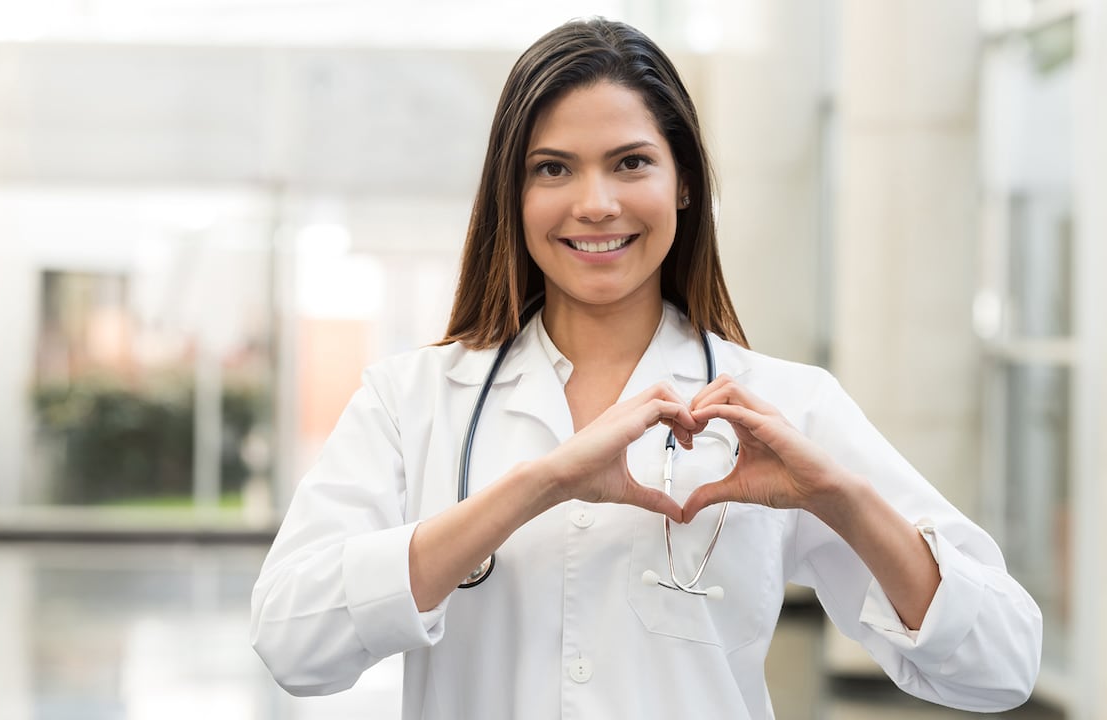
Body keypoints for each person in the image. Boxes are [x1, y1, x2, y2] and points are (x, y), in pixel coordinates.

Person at [250, 17, 1041, 718]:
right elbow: (293, 643)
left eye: (630, 163)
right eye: (552, 169)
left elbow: (1001, 665)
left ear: (684, 181)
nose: (595, 204)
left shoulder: (786, 407)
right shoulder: (411, 401)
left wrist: (841, 499)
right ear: (511, 193)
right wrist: (540, 485)